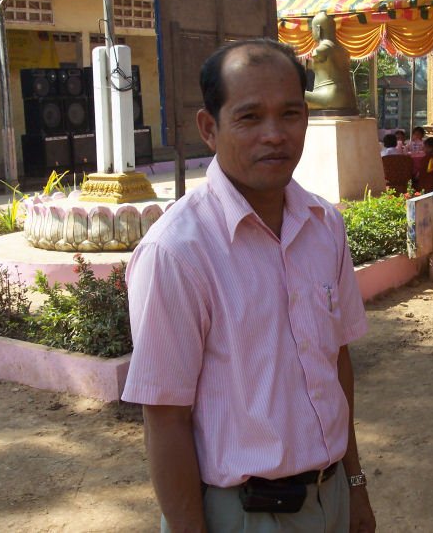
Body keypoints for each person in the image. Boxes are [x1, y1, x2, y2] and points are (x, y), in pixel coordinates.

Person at [122, 39, 375, 533]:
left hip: (333, 498)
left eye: (290, 114)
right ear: (209, 128)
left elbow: (336, 363)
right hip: (243, 515)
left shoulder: (324, 226)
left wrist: (355, 485)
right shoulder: (177, 252)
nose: (275, 135)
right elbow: (165, 419)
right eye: (250, 117)